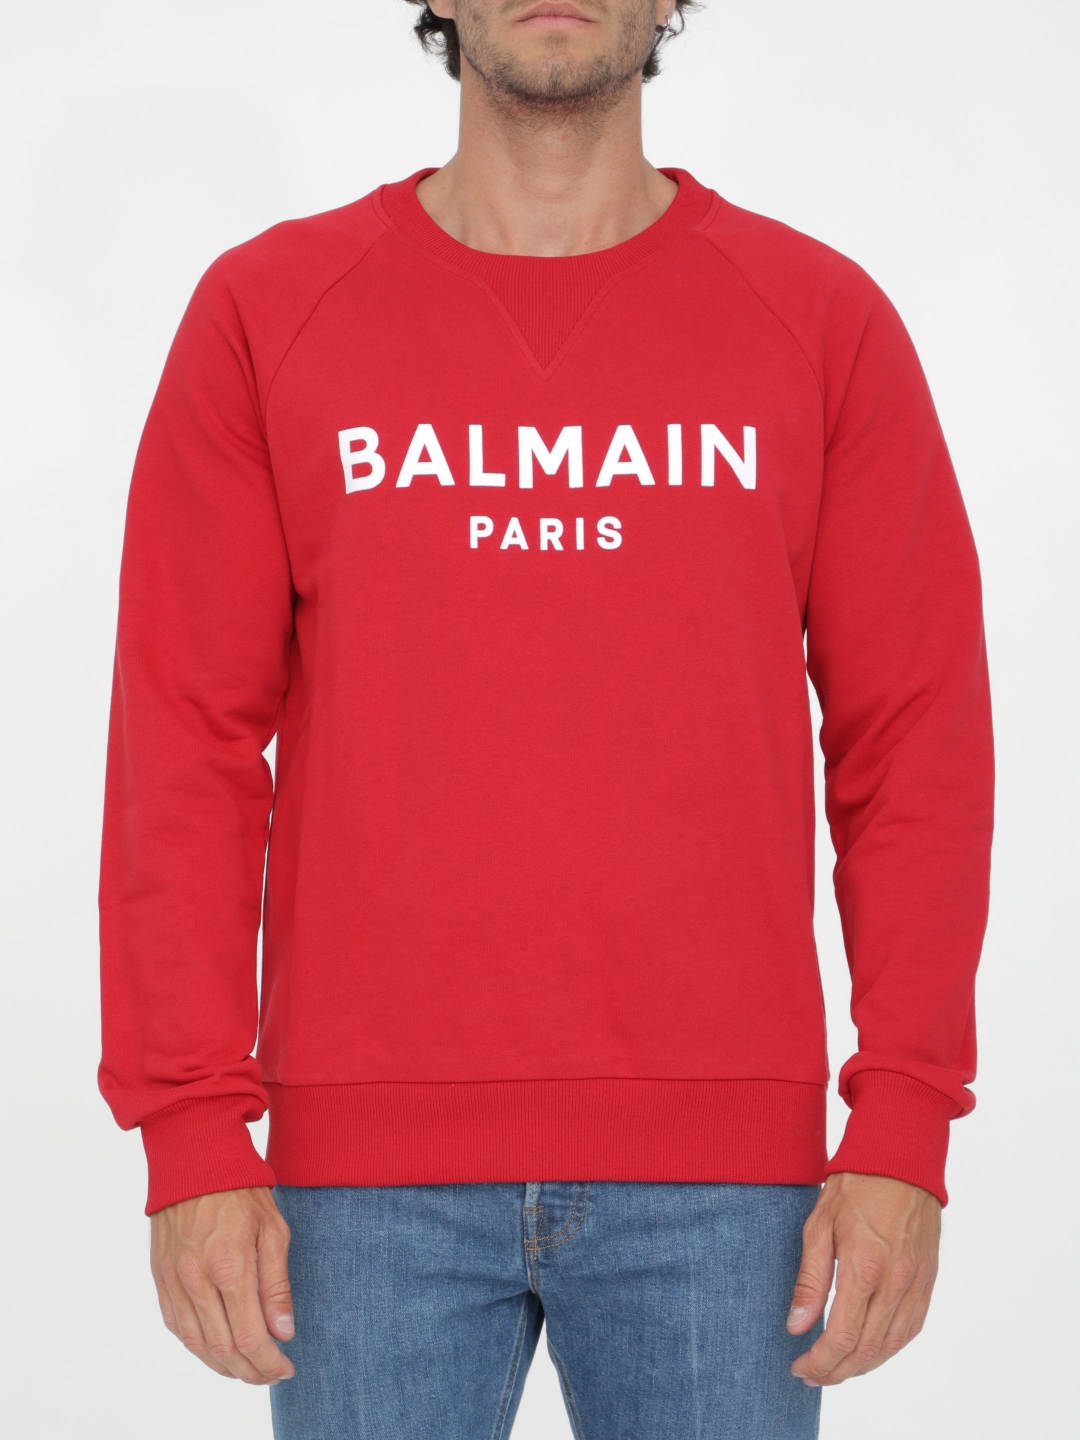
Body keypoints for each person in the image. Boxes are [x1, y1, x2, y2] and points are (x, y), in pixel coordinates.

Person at [97, 2, 993, 1436]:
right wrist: (191, 1123)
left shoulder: (819, 318)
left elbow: (915, 742)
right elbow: (185, 742)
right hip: (359, 1184)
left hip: (726, 1184)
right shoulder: (268, 310)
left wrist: (904, 1119)